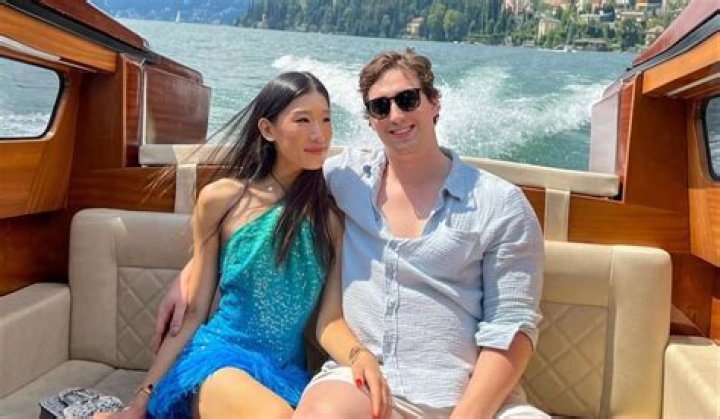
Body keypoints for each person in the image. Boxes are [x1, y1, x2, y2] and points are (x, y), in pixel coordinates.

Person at [156, 50, 546, 418]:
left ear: (434, 103)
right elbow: (259, 209)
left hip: (469, 395)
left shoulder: (500, 204)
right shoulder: (344, 180)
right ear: (370, 120)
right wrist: (192, 270)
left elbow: (511, 328)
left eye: (407, 99)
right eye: (380, 107)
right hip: (362, 384)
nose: (395, 115)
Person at [96, 71, 386, 419]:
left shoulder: (331, 218)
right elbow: (195, 311)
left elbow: (330, 319)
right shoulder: (222, 200)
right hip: (219, 357)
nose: (319, 134)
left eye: (326, 119)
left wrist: (359, 355)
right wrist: (141, 400)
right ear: (267, 129)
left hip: (284, 374)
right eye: (303, 120)